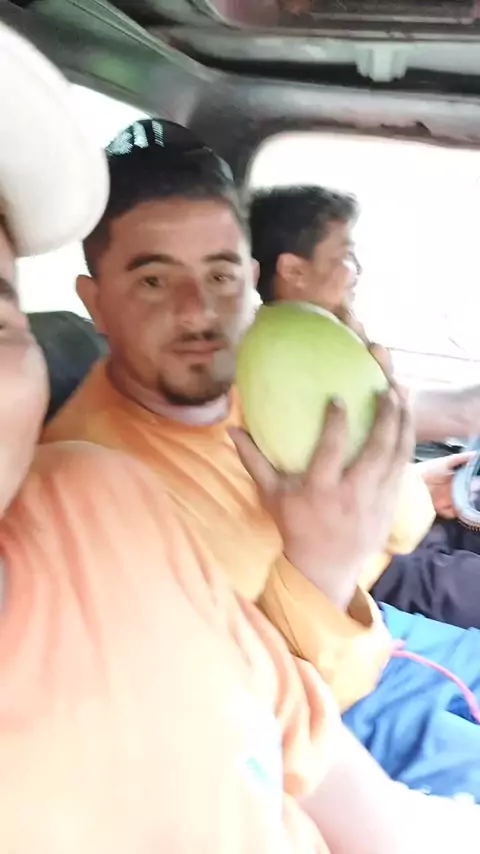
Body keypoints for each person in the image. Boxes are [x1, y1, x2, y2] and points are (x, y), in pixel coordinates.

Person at [6, 24, 474, 854]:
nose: (199, 312)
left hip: (370, 652)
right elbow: (275, 708)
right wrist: (322, 570)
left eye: (219, 274)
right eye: (154, 279)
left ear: (250, 280)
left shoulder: (127, 477)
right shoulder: (111, 481)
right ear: (93, 299)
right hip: (359, 681)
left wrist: (418, 484)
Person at [249, 184, 480, 630]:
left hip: (388, 527)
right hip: (368, 563)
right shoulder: (285, 362)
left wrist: (416, 480)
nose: (357, 273)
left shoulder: (326, 343)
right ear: (293, 270)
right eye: (346, 257)